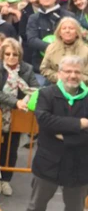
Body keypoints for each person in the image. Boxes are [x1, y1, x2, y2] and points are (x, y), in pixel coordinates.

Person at [27, 55, 88, 211]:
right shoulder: (46, 94)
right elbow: (45, 121)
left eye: (77, 72)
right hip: (48, 164)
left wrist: (64, 135)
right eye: (68, 71)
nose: (72, 75)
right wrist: (80, 123)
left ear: (82, 74)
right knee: (36, 207)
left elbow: (53, 123)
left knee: (75, 208)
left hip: (79, 165)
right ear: (59, 73)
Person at [0, 37, 39, 196]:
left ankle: (6, 180)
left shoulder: (27, 68)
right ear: (2, 54)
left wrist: (25, 101)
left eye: (14, 54)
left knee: (11, 148)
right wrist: (16, 102)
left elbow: (36, 88)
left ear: (19, 55)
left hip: (18, 116)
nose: (11, 57)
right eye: (7, 54)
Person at [26, 0, 75, 80]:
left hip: (67, 66)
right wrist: (52, 48)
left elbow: (76, 37)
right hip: (41, 67)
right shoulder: (34, 18)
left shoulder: (69, 16)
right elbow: (31, 40)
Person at [40, 17, 88, 84]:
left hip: (81, 86)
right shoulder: (51, 48)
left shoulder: (86, 50)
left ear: (77, 32)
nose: (67, 31)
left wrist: (74, 78)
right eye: (64, 28)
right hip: (56, 84)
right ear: (59, 32)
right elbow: (44, 69)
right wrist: (59, 77)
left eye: (71, 28)